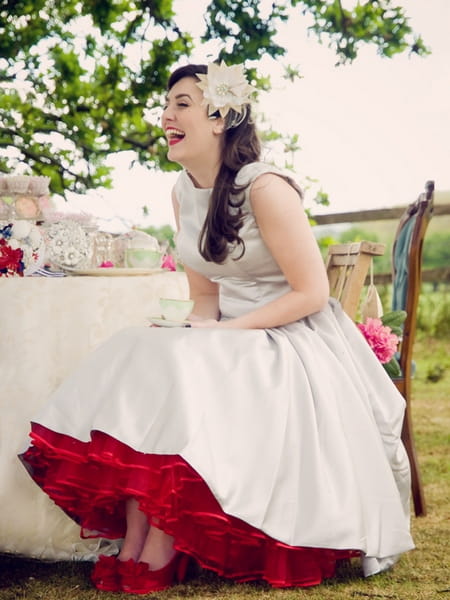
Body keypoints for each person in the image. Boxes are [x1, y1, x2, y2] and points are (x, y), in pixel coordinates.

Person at [20, 61, 414, 594]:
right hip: (229, 327)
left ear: (220, 118)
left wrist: (227, 334)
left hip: (292, 334)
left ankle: (160, 541)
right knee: (144, 347)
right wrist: (193, 331)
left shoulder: (265, 187)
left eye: (181, 104)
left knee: (186, 356)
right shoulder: (182, 192)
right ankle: (141, 528)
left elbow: (311, 293)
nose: (166, 116)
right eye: (166, 105)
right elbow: (204, 296)